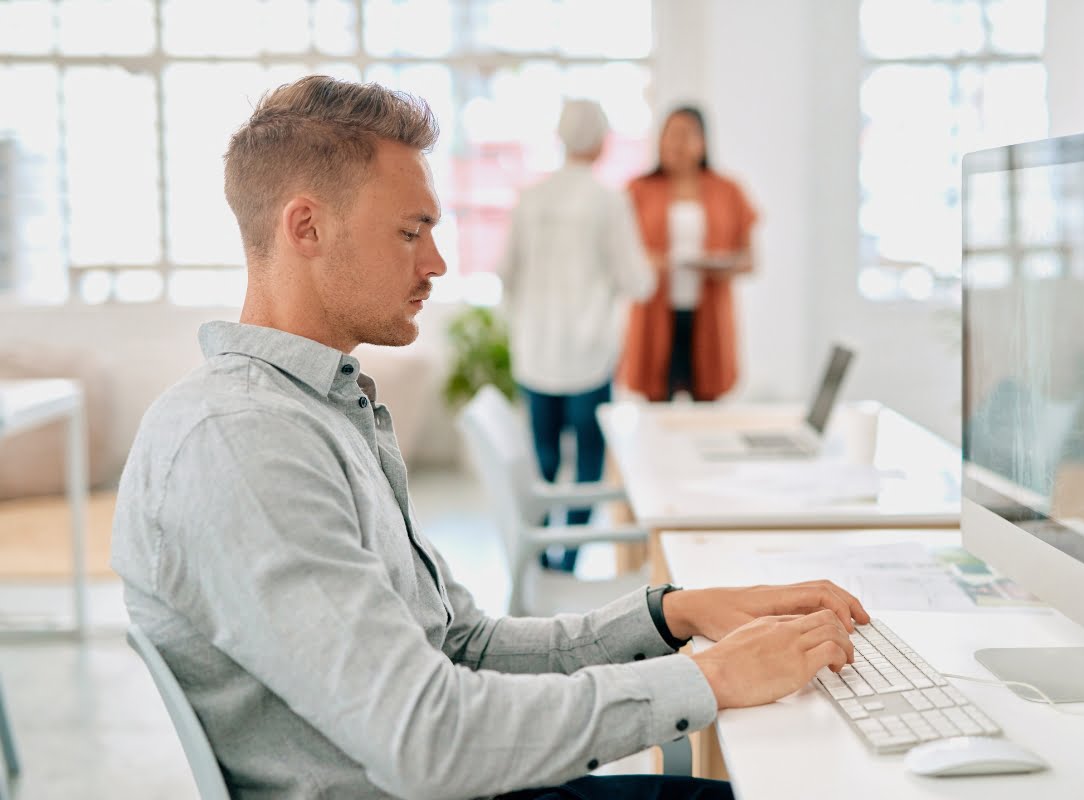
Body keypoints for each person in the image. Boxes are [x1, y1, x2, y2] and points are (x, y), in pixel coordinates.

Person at [111, 76, 869, 800]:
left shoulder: (316, 412)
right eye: (411, 232)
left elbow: (461, 646)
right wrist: (709, 679)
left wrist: (672, 613)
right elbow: (425, 737)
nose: (437, 263)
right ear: (305, 226)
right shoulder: (243, 444)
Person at [496, 99, 654, 573]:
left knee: (542, 461)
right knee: (588, 465)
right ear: (602, 141)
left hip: (535, 349)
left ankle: (541, 557)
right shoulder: (608, 200)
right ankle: (569, 562)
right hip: (588, 354)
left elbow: (506, 271)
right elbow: (639, 281)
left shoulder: (531, 196)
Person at [619, 106, 758, 402]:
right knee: (655, 404)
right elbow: (619, 254)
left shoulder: (728, 190)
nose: (676, 144)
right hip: (655, 312)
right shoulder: (638, 190)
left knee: (707, 404)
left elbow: (750, 260)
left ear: (703, 142)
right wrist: (649, 261)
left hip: (707, 313)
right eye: (669, 135)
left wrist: (722, 266)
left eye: (684, 135)